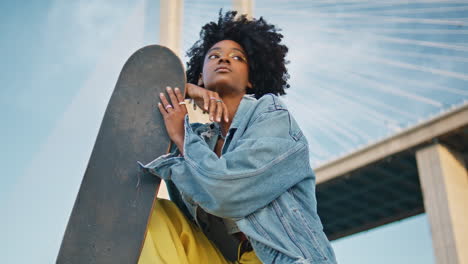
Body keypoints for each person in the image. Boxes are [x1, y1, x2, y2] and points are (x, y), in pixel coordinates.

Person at [138, 11, 337, 264]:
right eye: (214, 56)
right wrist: (184, 89)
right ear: (200, 76)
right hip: (225, 258)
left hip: (279, 260)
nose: (224, 59)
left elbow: (225, 193)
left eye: (237, 57)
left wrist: (181, 135)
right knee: (154, 216)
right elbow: (142, 111)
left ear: (251, 79)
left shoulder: (272, 117)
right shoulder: (200, 139)